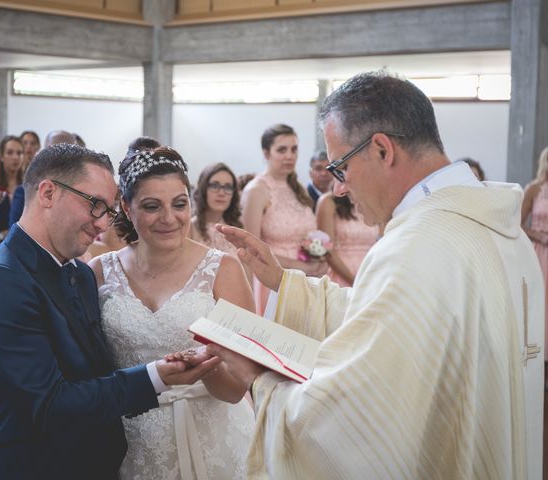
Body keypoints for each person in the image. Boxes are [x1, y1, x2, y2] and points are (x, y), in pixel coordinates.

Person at [198, 72, 544, 479]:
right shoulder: (495, 224)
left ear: (382, 149)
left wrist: (259, 381)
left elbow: (347, 425)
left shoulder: (417, 245)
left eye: (340, 167)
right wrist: (286, 284)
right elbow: (393, 317)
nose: (339, 189)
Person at [0, 143, 219, 480]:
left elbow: (94, 370)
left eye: (109, 210)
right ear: (48, 193)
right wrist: (156, 377)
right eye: (95, 205)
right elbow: (50, 404)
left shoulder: (79, 274)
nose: (103, 224)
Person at [89, 147, 255, 479]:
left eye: (179, 204)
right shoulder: (99, 272)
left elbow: (239, 387)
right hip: (131, 441)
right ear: (126, 206)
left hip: (215, 437)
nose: (169, 218)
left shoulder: (223, 269)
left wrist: (208, 366)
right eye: (152, 206)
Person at [241, 124, 328, 314]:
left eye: (294, 149)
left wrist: (318, 257)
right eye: (282, 150)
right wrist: (302, 267)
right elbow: (251, 247)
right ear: (266, 153)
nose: (290, 155)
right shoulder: (256, 190)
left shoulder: (299, 189)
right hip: (274, 279)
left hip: (305, 278)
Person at [9, 130, 78, 227]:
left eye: (71, 153)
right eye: (56, 152)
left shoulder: (82, 193)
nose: (62, 160)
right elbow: (16, 234)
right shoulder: (24, 192)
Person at [315, 184, 379, 286]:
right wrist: (354, 281)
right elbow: (326, 249)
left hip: (370, 273)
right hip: (342, 275)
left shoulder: (372, 201)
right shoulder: (328, 201)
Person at [521, 145, 548, 373]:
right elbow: (517, 224)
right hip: (540, 253)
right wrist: (540, 235)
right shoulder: (533, 189)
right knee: (540, 303)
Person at [190, 162, 243, 257]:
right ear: (203, 189)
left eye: (227, 187)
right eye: (214, 185)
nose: (221, 193)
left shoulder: (238, 229)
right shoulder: (189, 228)